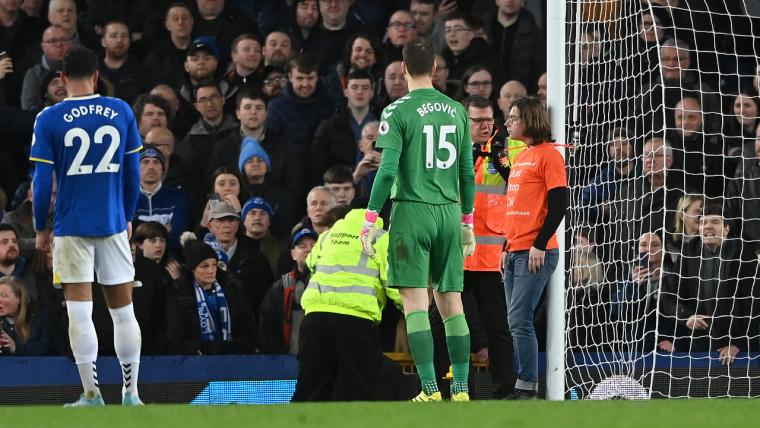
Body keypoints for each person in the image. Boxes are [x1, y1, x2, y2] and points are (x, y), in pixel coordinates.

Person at [360, 37, 475, 402]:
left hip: (411, 211)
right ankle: (460, 390)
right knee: (451, 303)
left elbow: (387, 168)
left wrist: (370, 217)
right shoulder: (457, 110)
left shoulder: (397, 111)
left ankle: (429, 390)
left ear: (405, 68)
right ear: (436, 69)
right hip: (448, 213)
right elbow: (467, 173)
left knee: (415, 304)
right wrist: (467, 222)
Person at [30, 47, 144, 407]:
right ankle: (132, 394)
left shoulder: (49, 118)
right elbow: (133, 174)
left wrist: (40, 228)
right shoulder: (122, 111)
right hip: (111, 223)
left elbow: (42, 181)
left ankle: (92, 394)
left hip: (71, 226)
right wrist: (126, 216)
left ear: (62, 79)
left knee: (79, 312)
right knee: (123, 312)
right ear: (96, 76)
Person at [292, 207, 402, 401]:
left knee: (311, 388)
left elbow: (310, 262)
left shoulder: (327, 236)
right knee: (359, 389)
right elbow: (393, 281)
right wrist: (412, 309)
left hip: (315, 318)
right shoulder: (382, 237)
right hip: (355, 321)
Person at [501, 96, 568, 399]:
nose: (508, 122)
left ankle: (527, 386)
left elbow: (559, 204)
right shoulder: (523, 156)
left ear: (528, 119)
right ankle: (525, 384)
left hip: (535, 251)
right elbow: (515, 206)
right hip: (515, 249)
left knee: (518, 319)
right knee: (515, 320)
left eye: (513, 117)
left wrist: (539, 245)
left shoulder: (548, 155)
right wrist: (505, 246)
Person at [165, 234, 256, 355]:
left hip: (234, 361)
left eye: (214, 264)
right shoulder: (180, 295)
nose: (211, 270)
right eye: (204, 266)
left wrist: (235, 348)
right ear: (192, 269)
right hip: (196, 365)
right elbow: (175, 340)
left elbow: (247, 328)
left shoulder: (232, 288)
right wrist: (202, 348)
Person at [258, 227, 317, 354]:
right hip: (287, 364)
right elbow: (267, 327)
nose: (309, 249)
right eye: (302, 246)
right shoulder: (280, 287)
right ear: (293, 254)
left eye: (313, 245)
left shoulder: (330, 283)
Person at [0, 276, 56, 356]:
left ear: (19, 299)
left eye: (4, 296)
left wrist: (16, 347)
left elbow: (47, 350)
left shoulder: (40, 318)